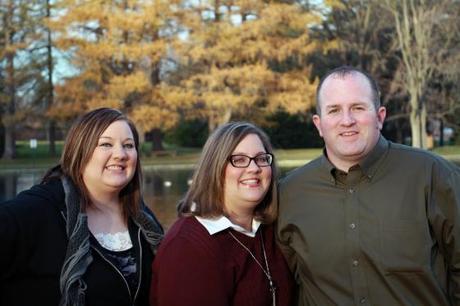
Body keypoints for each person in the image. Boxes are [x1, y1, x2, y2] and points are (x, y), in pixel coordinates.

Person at [277, 65, 460, 305]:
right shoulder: (289, 193)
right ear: (319, 124)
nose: (347, 120)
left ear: (380, 116)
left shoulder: (433, 175)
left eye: (358, 108)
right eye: (334, 110)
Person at [0, 108, 163, 306]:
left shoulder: (144, 220)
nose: (120, 154)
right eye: (106, 144)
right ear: (80, 150)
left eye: (128, 145)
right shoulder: (40, 209)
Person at [150, 122, 295, 306]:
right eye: (239, 160)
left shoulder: (271, 230)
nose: (254, 168)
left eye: (261, 158)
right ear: (215, 168)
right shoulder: (187, 246)